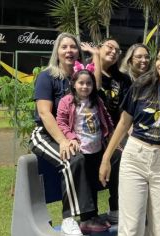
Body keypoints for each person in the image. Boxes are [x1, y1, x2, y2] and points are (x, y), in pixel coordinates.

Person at [98, 42, 160, 236]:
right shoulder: (142, 84)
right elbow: (123, 124)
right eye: (159, 58)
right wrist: (106, 159)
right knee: (131, 226)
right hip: (135, 156)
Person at [29, 32, 106, 236]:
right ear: (57, 52)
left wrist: (96, 56)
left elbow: (96, 89)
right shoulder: (47, 76)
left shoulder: (80, 78)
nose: (69, 51)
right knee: (71, 158)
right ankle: (68, 219)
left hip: (71, 135)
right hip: (45, 134)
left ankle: (90, 217)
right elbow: (45, 113)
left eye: (73, 47)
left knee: (89, 158)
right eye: (64, 47)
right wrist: (63, 141)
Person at [56, 62, 114, 234]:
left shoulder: (97, 101)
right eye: (81, 83)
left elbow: (107, 120)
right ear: (74, 84)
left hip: (97, 148)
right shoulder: (67, 101)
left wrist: (111, 135)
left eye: (89, 83)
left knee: (93, 185)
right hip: (82, 149)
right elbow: (61, 122)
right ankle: (83, 219)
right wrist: (71, 138)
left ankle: (91, 217)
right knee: (85, 183)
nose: (85, 86)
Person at [81, 38, 131, 224]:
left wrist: (124, 135)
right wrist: (95, 57)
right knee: (89, 164)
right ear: (100, 48)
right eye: (109, 47)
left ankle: (116, 208)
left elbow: (127, 111)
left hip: (115, 133)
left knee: (121, 159)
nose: (113, 51)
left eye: (117, 50)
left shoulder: (123, 79)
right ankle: (89, 216)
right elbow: (93, 90)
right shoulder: (85, 73)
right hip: (92, 133)